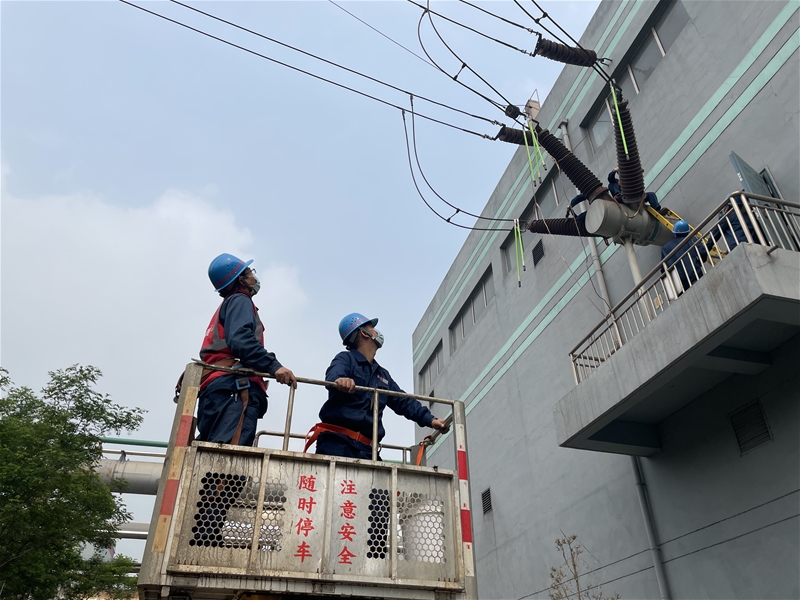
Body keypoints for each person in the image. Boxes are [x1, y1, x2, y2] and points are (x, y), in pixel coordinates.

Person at [307, 313, 449, 460]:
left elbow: (403, 401)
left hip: (367, 450)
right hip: (336, 444)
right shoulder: (346, 359)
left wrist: (431, 420)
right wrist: (340, 380)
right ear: (364, 333)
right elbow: (333, 375)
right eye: (372, 328)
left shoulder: (382, 375)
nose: (377, 332)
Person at [197, 253, 297, 446]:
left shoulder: (227, 305)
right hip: (233, 390)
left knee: (213, 451)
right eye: (249, 272)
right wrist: (274, 366)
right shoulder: (240, 300)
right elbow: (241, 340)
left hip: (217, 390)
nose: (254, 277)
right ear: (240, 280)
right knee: (229, 456)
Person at [661, 220, 708, 290]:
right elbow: (703, 253)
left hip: (680, 282)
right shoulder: (692, 240)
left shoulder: (665, 248)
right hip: (696, 274)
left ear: (675, 233)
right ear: (687, 232)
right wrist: (699, 263)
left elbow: (663, 269)